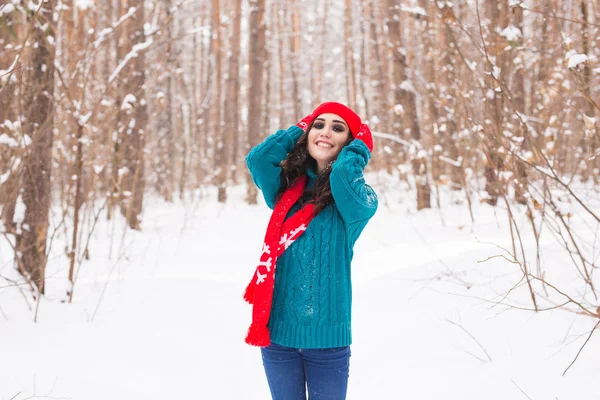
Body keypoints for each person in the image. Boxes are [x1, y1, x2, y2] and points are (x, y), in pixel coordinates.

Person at [243, 102, 378, 400]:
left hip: (327, 340)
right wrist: (298, 131)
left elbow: (343, 176)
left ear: (350, 141)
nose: (326, 131)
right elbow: (258, 159)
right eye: (319, 124)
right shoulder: (286, 190)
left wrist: (358, 149)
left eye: (337, 128)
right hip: (278, 336)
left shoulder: (357, 199)